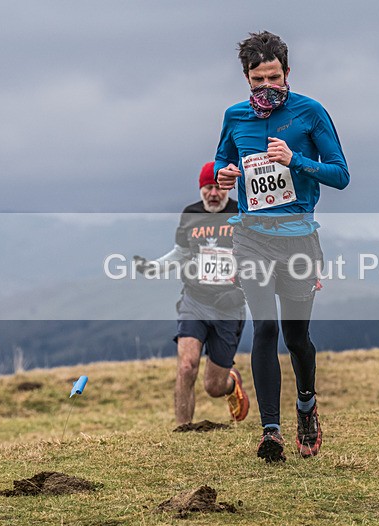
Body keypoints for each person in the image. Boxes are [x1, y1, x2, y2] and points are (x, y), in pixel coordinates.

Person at [214, 31, 349, 462]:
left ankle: (306, 406)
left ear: (287, 73)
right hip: (251, 237)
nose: (267, 87)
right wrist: (225, 174)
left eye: (275, 78)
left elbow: (340, 174)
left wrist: (295, 160)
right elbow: (221, 159)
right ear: (247, 79)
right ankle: (269, 432)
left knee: (296, 337)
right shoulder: (235, 117)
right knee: (265, 330)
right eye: (258, 81)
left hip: (298, 240)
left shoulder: (310, 113)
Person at [134, 162, 249, 427]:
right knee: (186, 366)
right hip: (194, 301)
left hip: (228, 308)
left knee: (213, 386)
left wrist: (240, 293)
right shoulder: (190, 214)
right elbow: (181, 253)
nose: (213, 194)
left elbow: (256, 258)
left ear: (227, 189)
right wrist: (154, 268)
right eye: (208, 188)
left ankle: (232, 383)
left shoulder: (242, 213)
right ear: (201, 190)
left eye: (219, 188)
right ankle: (183, 429)